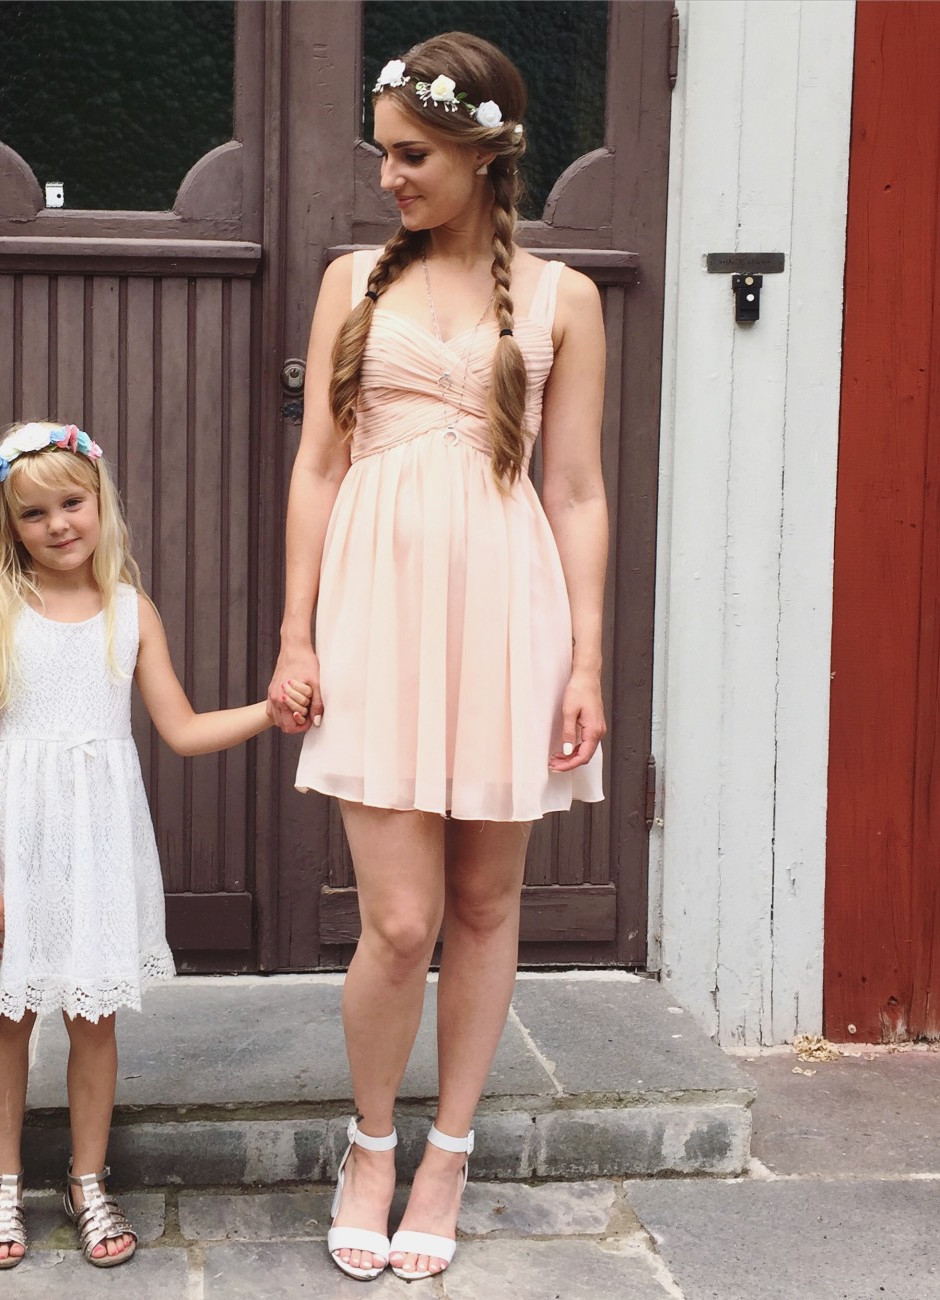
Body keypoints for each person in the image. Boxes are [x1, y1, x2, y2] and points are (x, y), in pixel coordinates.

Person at [267, 32, 608, 1283]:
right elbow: (318, 466)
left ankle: (447, 1153)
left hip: (509, 615)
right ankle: (370, 1143)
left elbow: (575, 489)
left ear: (481, 152)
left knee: (482, 905)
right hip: (377, 613)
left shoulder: (563, 299)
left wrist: (586, 660)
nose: (389, 176)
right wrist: (296, 630)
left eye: (411, 154)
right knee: (400, 918)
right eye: (383, 153)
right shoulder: (351, 281)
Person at [0, 421, 309, 1270]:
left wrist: (269, 713)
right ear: (9, 524)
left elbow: (181, 729)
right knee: (9, 1015)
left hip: (101, 843)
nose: (58, 524)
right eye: (34, 513)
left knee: (93, 1016)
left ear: (100, 502)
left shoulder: (129, 613)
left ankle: (87, 1178)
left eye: (71, 503)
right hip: (21, 845)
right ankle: (4, 1184)